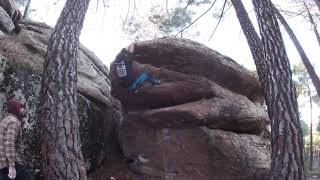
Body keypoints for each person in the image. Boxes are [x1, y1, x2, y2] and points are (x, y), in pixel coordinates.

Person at [0, 99, 34, 180]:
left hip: (2, 163)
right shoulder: (13, 122)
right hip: (12, 163)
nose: (23, 110)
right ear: (16, 108)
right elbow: (9, 143)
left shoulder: (5, 120)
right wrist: (12, 166)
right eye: (20, 107)